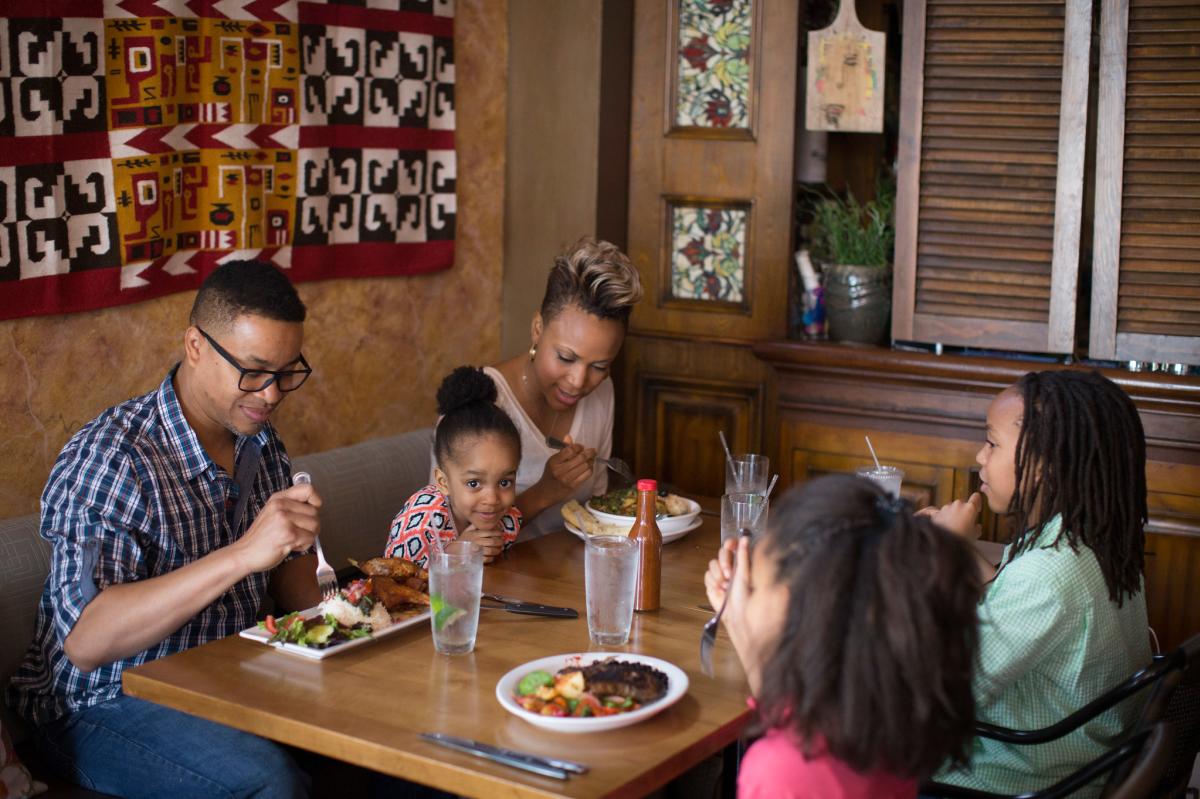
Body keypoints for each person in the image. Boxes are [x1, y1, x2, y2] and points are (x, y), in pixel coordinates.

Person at [6, 261, 322, 798]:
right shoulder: (114, 457)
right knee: (270, 784)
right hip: (99, 702)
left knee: (399, 740)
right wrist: (245, 553)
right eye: (253, 371)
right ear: (195, 345)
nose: (270, 395)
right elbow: (86, 640)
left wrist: (355, 602)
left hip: (222, 678)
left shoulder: (261, 444)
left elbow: (295, 591)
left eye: (287, 372)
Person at [922, 370, 1151, 796]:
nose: (979, 456)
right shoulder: (1091, 541)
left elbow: (942, 692)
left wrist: (944, 553)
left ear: (1046, 463)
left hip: (1011, 780)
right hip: (1081, 759)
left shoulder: (1048, 575)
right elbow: (1016, 599)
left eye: (992, 443)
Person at [705, 474, 982, 799]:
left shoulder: (781, 772)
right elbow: (792, 724)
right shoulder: (881, 712)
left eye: (755, 585)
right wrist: (748, 637)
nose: (747, 592)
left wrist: (750, 637)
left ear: (791, 604)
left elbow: (791, 753)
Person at [482, 237, 642, 539]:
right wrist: (544, 493)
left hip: (570, 578)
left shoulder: (602, 392)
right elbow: (450, 540)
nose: (578, 382)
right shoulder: (482, 400)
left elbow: (598, 507)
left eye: (599, 366)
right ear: (537, 329)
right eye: (566, 357)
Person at [386, 366, 522, 567]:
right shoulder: (421, 522)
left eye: (504, 482)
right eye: (474, 483)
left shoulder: (506, 520)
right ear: (443, 482)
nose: (492, 499)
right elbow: (389, 582)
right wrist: (454, 553)